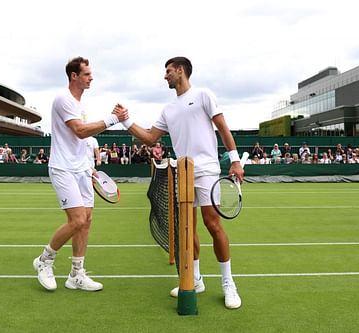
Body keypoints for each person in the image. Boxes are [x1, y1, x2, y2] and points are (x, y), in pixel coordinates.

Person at [114, 56, 244, 309]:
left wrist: (236, 160)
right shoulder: (168, 109)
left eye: (168, 71)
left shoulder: (204, 95)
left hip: (206, 170)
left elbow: (223, 127)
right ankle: (195, 279)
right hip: (182, 172)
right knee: (188, 228)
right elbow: (151, 138)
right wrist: (126, 121)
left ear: (181, 71)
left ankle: (229, 283)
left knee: (213, 224)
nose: (165, 76)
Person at [33, 56, 127, 292]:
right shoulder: (63, 99)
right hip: (63, 168)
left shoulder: (81, 104)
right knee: (77, 220)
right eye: (86, 74)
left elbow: (81, 141)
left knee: (86, 222)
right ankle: (44, 260)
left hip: (82, 169)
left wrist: (89, 166)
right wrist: (113, 119)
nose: (91, 77)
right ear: (74, 76)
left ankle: (76, 274)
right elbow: (80, 131)